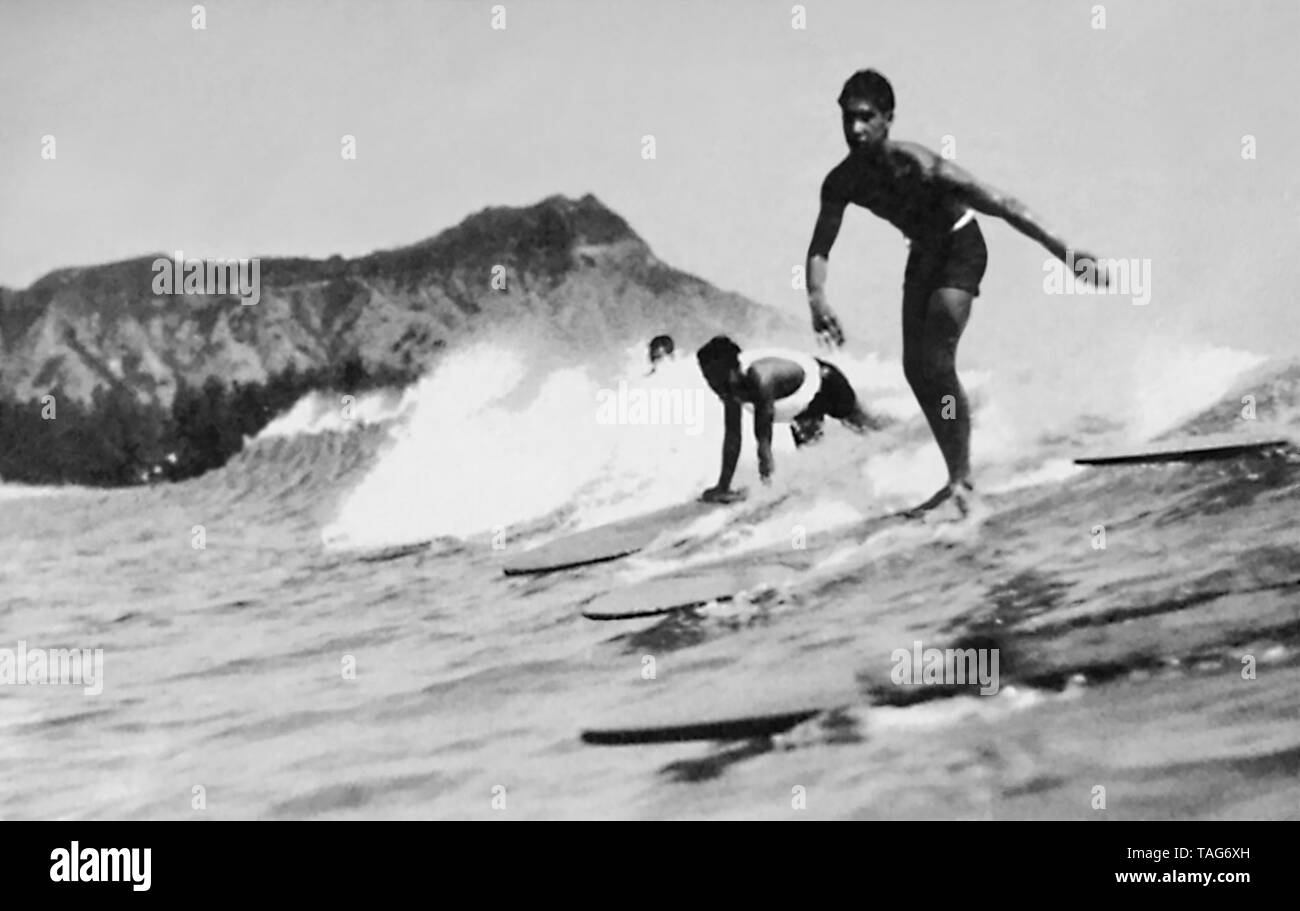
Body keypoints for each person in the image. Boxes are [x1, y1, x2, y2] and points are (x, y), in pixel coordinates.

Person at [806, 69, 1109, 517]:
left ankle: (962, 479)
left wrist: (1066, 254)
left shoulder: (923, 167)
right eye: (848, 118)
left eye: (866, 118)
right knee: (916, 370)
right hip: (924, 255)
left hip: (961, 246)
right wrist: (817, 298)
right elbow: (820, 246)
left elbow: (1003, 204)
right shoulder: (842, 182)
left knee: (938, 359)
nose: (855, 129)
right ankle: (956, 476)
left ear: (888, 119)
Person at [696, 335, 878, 503]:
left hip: (827, 382)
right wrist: (723, 487)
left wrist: (767, 489)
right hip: (802, 408)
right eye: (708, 379)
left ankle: (900, 442)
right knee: (814, 461)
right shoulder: (728, 387)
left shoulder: (759, 378)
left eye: (718, 378)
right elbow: (733, 436)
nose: (714, 385)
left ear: (734, 368)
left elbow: (764, 440)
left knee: (866, 427)